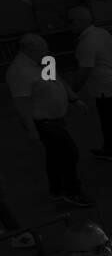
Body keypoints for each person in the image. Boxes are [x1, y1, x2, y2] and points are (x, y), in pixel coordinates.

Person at [5, 33, 94, 207]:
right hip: (45, 123)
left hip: (55, 120)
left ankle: (57, 189)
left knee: (54, 156)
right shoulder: (18, 72)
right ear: (28, 50)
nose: (47, 51)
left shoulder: (41, 61)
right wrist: (32, 130)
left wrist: (74, 99)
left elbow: (57, 80)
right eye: (43, 49)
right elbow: (22, 104)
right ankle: (73, 191)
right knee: (69, 153)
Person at [67, 6, 112, 164]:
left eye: (70, 21)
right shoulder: (102, 33)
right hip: (111, 84)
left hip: (105, 88)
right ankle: (109, 148)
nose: (69, 25)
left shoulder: (87, 43)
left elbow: (83, 72)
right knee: (108, 119)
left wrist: (70, 93)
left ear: (80, 22)